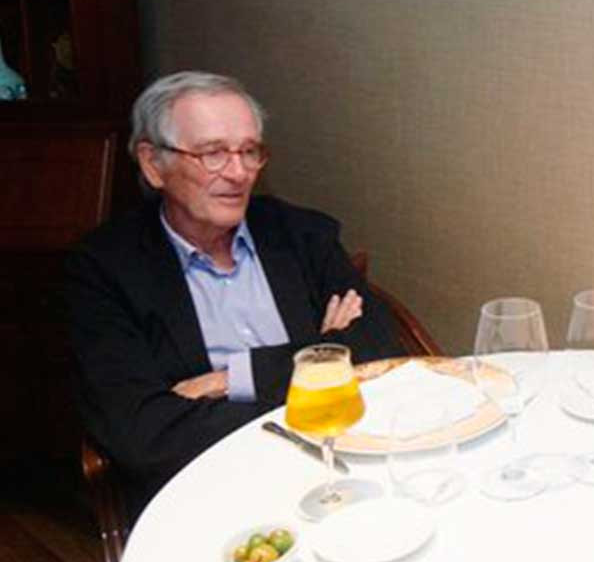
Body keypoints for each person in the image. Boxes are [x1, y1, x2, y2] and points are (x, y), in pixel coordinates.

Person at [67, 71, 401, 521]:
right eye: (212, 153)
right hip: (211, 494)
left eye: (249, 151)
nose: (239, 172)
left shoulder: (300, 234)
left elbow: (379, 346)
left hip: (344, 465)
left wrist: (230, 380)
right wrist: (316, 366)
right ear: (152, 163)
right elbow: (144, 435)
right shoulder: (102, 270)